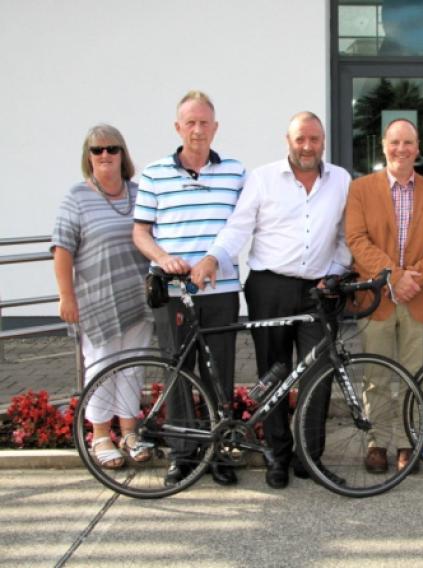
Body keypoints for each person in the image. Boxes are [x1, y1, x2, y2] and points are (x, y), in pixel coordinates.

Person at [192, 111, 352, 490]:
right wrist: (215, 257)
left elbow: (348, 233)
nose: (308, 146)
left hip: (320, 289)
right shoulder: (262, 179)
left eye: (314, 139)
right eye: (301, 139)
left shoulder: (341, 179)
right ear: (288, 140)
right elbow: (239, 227)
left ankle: (309, 458)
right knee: (274, 374)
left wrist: (338, 269)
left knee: (318, 374)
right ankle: (276, 456)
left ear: (324, 141)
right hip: (270, 287)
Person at [132, 91, 245, 487]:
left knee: (220, 374)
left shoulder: (236, 171)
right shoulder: (154, 173)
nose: (198, 130)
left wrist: (215, 258)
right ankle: (182, 455)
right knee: (179, 371)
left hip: (221, 290)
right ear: (177, 127)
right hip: (174, 293)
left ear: (215, 128)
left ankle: (219, 452)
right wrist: (163, 259)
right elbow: (141, 232)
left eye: (204, 123)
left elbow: (242, 227)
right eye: (190, 123)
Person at [345, 118, 423, 473]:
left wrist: (413, 279)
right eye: (395, 142)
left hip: (419, 297)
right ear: (384, 147)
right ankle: (378, 441)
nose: (401, 149)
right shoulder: (361, 189)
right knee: (376, 375)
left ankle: (409, 441)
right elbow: (357, 239)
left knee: (416, 373)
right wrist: (393, 276)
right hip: (377, 298)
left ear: (418, 148)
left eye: (408, 143)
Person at [52, 124, 153, 469]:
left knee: (133, 367)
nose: (105, 155)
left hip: (138, 300)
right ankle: (100, 436)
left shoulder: (140, 193)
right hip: (96, 302)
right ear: (88, 157)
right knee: (102, 367)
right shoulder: (77, 197)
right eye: (97, 150)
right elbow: (62, 248)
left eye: (112, 148)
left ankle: (129, 432)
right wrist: (66, 296)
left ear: (123, 154)